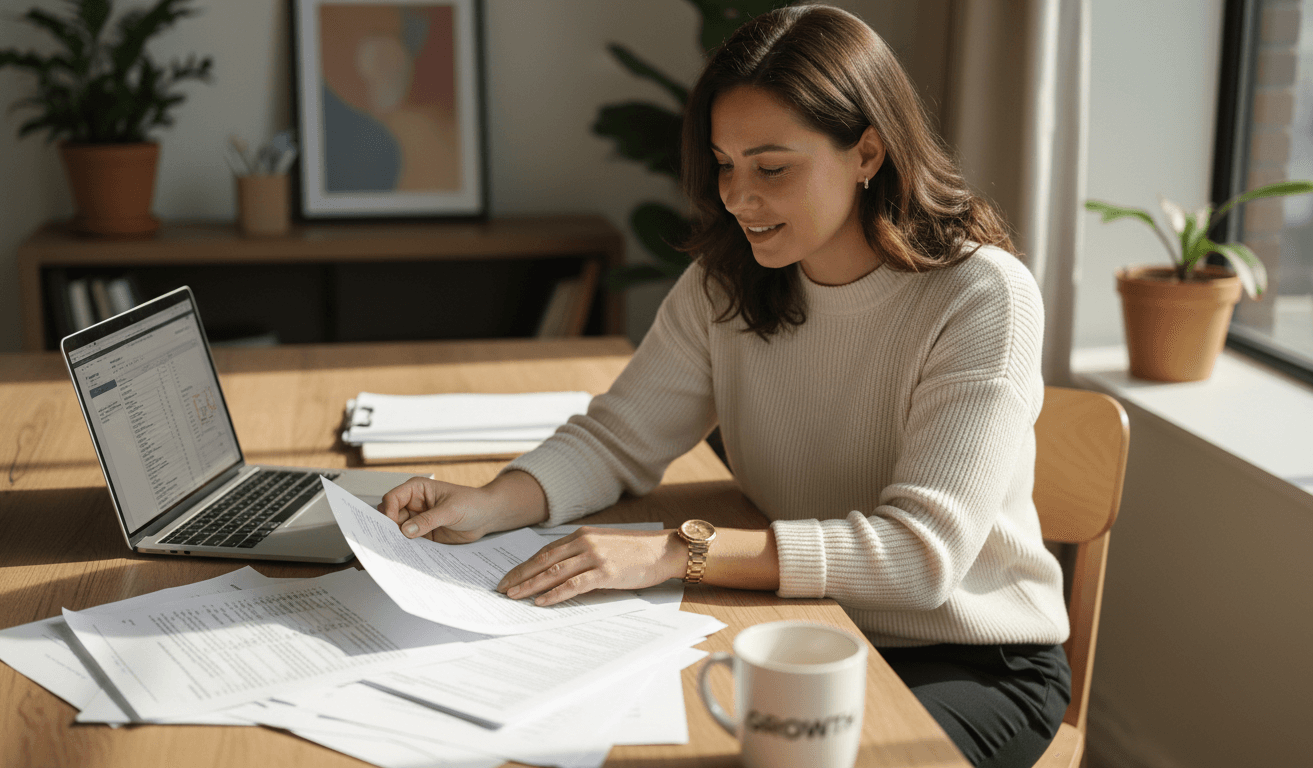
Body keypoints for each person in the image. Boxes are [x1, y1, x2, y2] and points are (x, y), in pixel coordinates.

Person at [378, 6, 1071, 767]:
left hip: (966, 658)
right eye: (724, 164)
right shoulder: (728, 281)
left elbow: (919, 556)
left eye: (771, 169)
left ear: (867, 152)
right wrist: (490, 503)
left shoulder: (981, 296)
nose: (738, 198)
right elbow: (618, 436)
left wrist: (675, 552)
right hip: (798, 621)